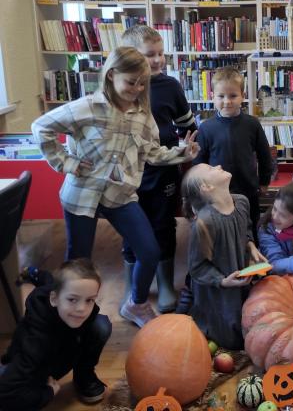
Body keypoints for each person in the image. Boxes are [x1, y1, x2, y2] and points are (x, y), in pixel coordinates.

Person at [31, 47, 199, 328]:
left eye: (142, 83)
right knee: (79, 262)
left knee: (149, 250)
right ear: (111, 76)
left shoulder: (142, 115)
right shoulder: (88, 106)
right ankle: (72, 317)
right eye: (130, 81)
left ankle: (136, 303)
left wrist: (182, 153)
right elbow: (41, 127)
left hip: (120, 194)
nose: (137, 88)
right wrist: (65, 162)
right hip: (82, 193)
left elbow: (151, 152)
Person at [121, 26, 197, 313]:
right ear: (129, 57)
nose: (157, 60)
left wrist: (190, 146)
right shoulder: (121, 89)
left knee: (163, 225)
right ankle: (132, 287)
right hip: (128, 174)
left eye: (160, 53)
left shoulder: (171, 87)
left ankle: (165, 284)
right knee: (131, 227)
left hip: (163, 171)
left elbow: (189, 126)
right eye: (148, 54)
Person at [0, 259, 111, 411]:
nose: (81, 308)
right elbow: (6, 394)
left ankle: (83, 376)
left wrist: (37, 274)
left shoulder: (64, 296)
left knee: (101, 325)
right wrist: (48, 393)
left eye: (89, 300)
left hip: (60, 352)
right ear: (54, 299)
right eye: (72, 299)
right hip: (33, 367)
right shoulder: (36, 341)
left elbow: (48, 280)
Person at [182, 163, 266, 350]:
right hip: (218, 289)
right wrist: (222, 281)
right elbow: (197, 267)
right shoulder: (205, 222)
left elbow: (247, 229)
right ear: (207, 188)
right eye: (211, 169)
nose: (218, 165)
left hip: (242, 276)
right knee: (230, 339)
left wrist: (251, 245)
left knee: (249, 321)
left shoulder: (242, 202)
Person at [194, 67, 273, 238]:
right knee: (221, 230)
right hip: (218, 191)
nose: (227, 101)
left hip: (248, 188)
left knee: (250, 226)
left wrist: (265, 180)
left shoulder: (252, 124)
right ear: (212, 96)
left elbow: (264, 154)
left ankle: (252, 259)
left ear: (242, 96)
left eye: (233, 96)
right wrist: (200, 188)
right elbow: (199, 163)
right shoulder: (206, 128)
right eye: (221, 96)